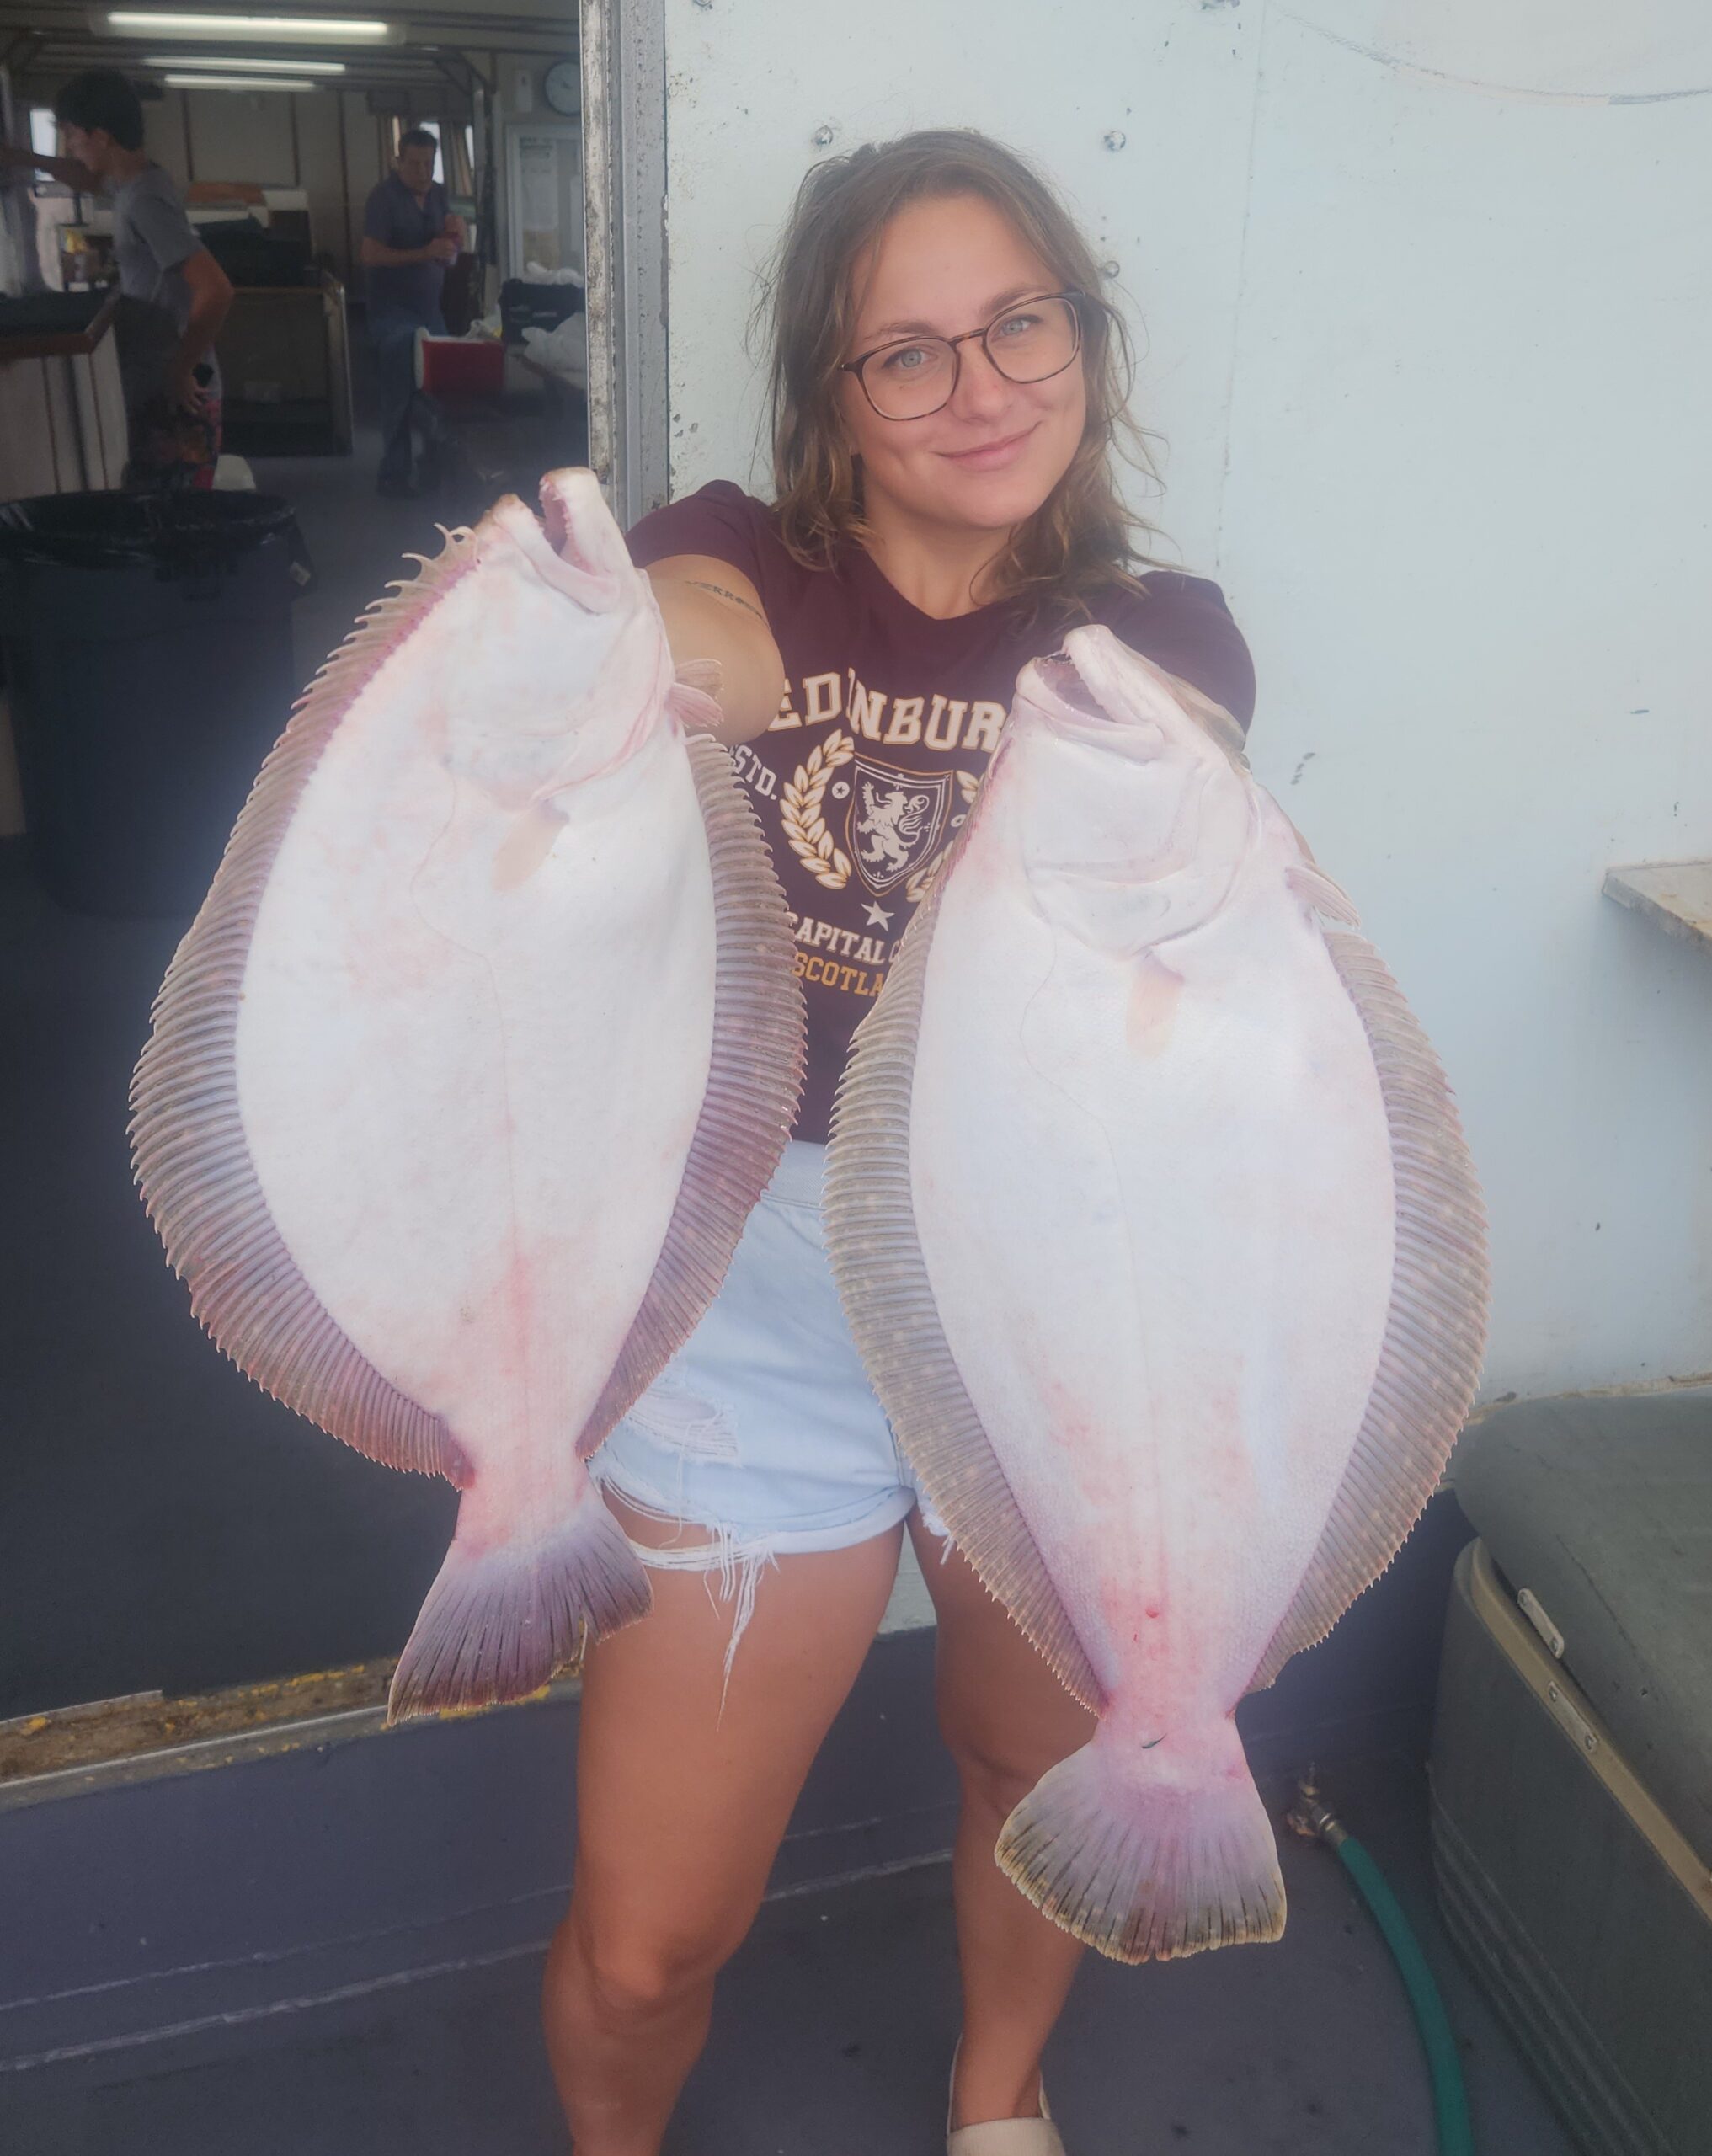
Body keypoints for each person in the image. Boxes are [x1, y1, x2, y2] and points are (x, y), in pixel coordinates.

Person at [547, 131, 1257, 2156]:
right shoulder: (734, 551)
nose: (983, 385)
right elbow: (688, 621)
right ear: (825, 399)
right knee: (644, 1939)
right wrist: (659, 646)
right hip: (752, 1290)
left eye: (1020, 321)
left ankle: (994, 2092)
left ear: (1082, 333)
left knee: (1029, 1764)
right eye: (909, 351)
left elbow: (1164, 782)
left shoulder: (1159, 638)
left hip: (1040, 1287)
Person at [1, 72, 233, 490]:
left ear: (101, 136)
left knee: (173, 525)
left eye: (73, 136)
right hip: (164, 384)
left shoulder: (143, 200)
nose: (70, 147)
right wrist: (21, 159)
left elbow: (216, 289)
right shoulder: (137, 183)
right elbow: (87, 178)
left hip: (180, 394)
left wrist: (181, 371)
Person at [360, 128, 465, 498]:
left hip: (429, 312)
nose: (422, 171)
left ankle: (432, 464)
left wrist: (456, 239)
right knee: (398, 396)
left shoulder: (438, 195)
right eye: (415, 163)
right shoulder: (383, 199)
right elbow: (370, 255)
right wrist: (425, 252)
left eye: (429, 164)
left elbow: (448, 256)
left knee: (438, 393)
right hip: (392, 314)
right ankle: (393, 475)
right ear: (399, 162)